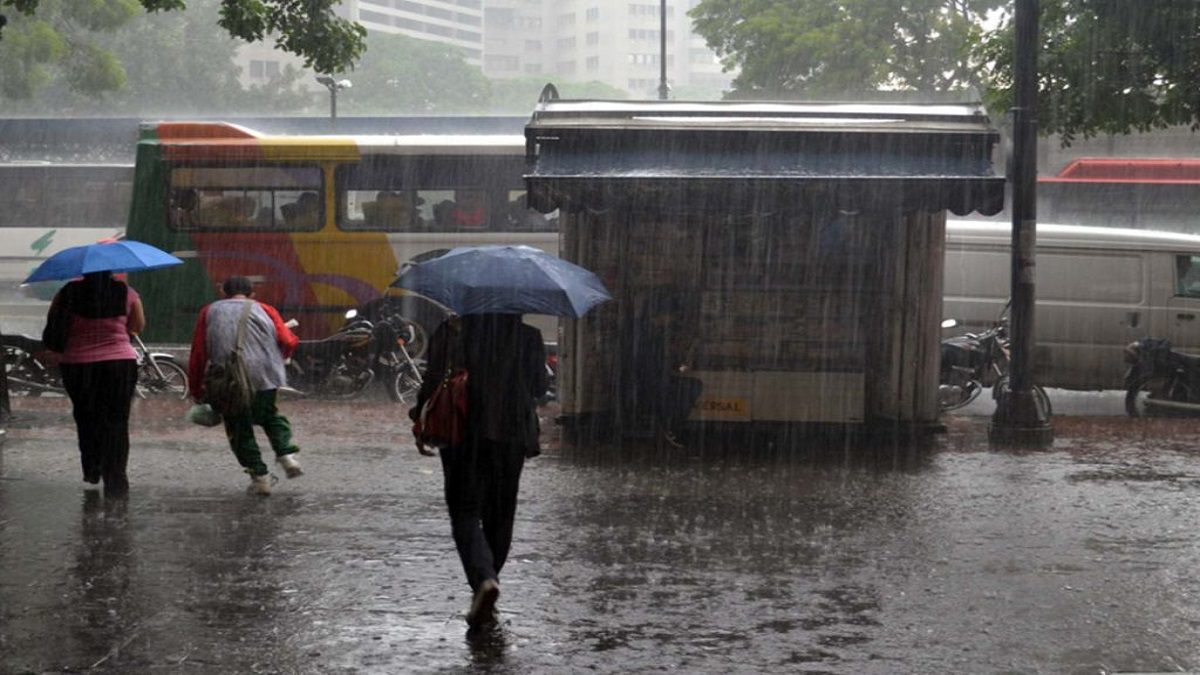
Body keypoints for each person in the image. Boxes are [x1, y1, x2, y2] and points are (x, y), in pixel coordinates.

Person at [410, 313, 548, 630]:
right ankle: (487, 585)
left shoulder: (451, 330)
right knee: (500, 514)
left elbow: (433, 380)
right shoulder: (528, 336)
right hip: (512, 434)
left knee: (465, 511)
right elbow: (540, 387)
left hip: (463, 431)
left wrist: (419, 417)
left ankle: (483, 581)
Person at [187, 276, 303, 496]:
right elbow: (288, 341)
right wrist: (281, 356)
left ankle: (260, 478)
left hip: (228, 379)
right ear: (252, 294)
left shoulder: (209, 311)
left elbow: (199, 352)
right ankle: (287, 455)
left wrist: (196, 388)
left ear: (223, 292)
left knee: (238, 426)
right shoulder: (266, 309)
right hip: (264, 376)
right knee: (270, 415)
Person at [48, 271, 145, 496]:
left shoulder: (67, 293)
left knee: (86, 416)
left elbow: (54, 323)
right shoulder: (128, 294)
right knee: (117, 421)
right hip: (119, 363)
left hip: (78, 365)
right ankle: (116, 476)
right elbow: (138, 326)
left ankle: (92, 468)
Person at [629, 293, 703, 448]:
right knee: (691, 387)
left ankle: (670, 426)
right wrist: (675, 366)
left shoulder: (645, 330)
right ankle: (671, 427)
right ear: (663, 314)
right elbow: (652, 361)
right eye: (672, 315)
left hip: (647, 380)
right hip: (648, 382)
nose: (673, 319)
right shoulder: (650, 334)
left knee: (688, 386)